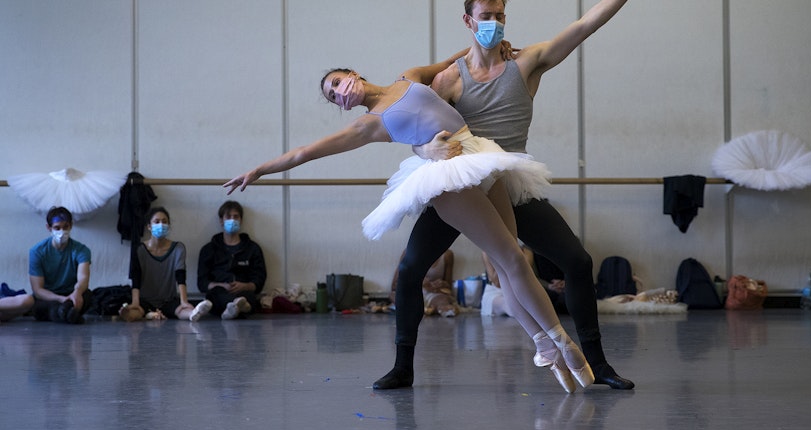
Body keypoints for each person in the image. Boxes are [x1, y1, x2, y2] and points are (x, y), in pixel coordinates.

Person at [377, 0, 669, 390]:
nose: (494, 21)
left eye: (499, 15)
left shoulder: (525, 63)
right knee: (413, 265)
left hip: (510, 183)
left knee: (576, 260)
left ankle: (599, 364)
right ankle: (403, 367)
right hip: (462, 187)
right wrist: (428, 156)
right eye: (485, 15)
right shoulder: (448, 81)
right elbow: (418, 133)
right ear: (468, 21)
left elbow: (585, 25)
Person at [224, 63, 595, 393]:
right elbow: (304, 152)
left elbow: (460, 60)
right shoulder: (368, 124)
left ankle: (544, 344)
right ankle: (560, 342)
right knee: (511, 258)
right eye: (333, 95)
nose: (339, 92)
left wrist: (495, 49)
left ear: (353, 73)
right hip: (448, 178)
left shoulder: (410, 77)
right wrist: (259, 170)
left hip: (480, 155)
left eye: (337, 82)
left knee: (507, 263)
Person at [118, 207, 209, 322]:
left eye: (164, 221)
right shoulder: (139, 249)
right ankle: (129, 314)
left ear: (169, 225)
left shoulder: (178, 248)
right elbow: (135, 277)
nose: (161, 225)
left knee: (180, 310)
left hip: (168, 300)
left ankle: (193, 313)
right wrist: (135, 302)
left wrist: (184, 301)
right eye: (156, 222)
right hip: (144, 300)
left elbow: (180, 277)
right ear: (149, 226)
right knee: (137, 311)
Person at [196, 200, 267, 320]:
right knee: (215, 295)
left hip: (244, 292)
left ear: (241, 220)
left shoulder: (252, 248)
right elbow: (202, 282)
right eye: (228, 217)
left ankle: (240, 306)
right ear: (221, 221)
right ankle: (235, 306)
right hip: (219, 293)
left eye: (236, 217)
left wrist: (246, 286)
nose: (232, 220)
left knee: (248, 297)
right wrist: (221, 285)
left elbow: (259, 278)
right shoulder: (208, 249)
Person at [28, 206, 92, 324]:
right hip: (49, 297)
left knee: (87, 295)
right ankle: (68, 313)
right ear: (49, 228)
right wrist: (61, 299)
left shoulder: (82, 250)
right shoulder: (37, 252)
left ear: (71, 225)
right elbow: (38, 290)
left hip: (71, 293)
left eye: (65, 227)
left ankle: (65, 312)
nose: (62, 232)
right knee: (41, 306)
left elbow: (83, 279)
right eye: (57, 228)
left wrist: (76, 293)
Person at [391, 250, 460, 318]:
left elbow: (449, 288)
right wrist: (417, 282)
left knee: (443, 300)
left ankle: (422, 309)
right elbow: (394, 285)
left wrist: (442, 284)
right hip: (412, 292)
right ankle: (423, 309)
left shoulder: (447, 255)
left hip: (434, 294)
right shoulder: (409, 252)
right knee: (394, 295)